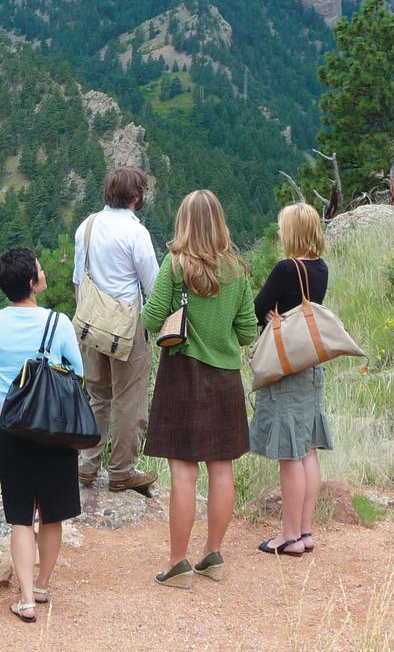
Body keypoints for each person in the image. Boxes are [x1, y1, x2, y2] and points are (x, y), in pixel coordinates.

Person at [141, 190, 256, 588]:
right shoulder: (239, 271)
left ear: (184, 223)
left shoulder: (175, 266)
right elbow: (247, 332)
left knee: (183, 474)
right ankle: (213, 555)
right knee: (221, 469)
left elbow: (152, 317)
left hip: (182, 376)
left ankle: (178, 564)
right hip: (225, 378)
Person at [0, 247, 85, 624]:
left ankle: (24, 599)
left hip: (12, 425)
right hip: (54, 427)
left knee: (21, 516)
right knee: (52, 513)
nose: (43, 270)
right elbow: (78, 370)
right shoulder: (59, 323)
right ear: (31, 282)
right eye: (39, 268)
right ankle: (41, 584)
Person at [250, 202, 333, 556]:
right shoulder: (321, 268)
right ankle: (305, 530)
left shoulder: (287, 268)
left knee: (290, 454)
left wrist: (271, 317)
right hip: (310, 366)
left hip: (286, 370)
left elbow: (259, 307)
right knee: (308, 450)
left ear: (292, 232)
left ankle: (288, 536)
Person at [72, 166, 160, 495]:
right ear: (136, 196)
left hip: (92, 323)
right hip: (126, 326)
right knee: (129, 399)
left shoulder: (87, 226)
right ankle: (122, 470)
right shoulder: (136, 233)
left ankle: (87, 464)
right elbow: (153, 285)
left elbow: (78, 280)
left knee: (97, 395)